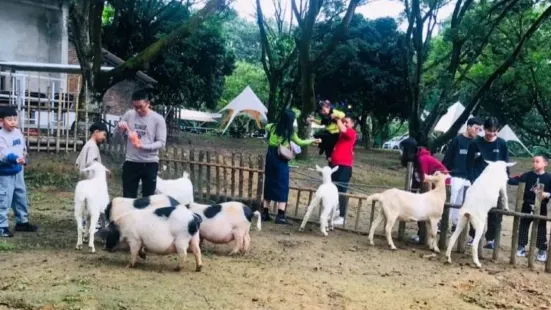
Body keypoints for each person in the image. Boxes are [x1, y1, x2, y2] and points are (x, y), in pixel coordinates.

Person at [263, 109, 320, 224]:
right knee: (282, 185)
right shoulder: (290, 132)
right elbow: (300, 142)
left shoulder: (272, 127)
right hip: (281, 159)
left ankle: (264, 213)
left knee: (269, 183)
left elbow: (266, 127)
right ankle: (280, 216)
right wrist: (313, 140)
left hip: (270, 158)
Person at [466, 117, 510, 249]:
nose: (491, 134)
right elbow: (469, 165)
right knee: (477, 210)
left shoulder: (502, 144)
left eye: (495, 131)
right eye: (489, 131)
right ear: (484, 129)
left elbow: (505, 164)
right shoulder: (475, 144)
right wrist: (474, 181)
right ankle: (474, 235)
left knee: (495, 212)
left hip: (495, 184)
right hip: (480, 183)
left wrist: (505, 179)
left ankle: (491, 238)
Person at [117, 89, 167, 198]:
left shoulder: (158, 119)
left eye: (141, 107)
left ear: (148, 104)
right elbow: (118, 135)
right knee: (128, 196)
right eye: (135, 107)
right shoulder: (129, 115)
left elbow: (161, 143)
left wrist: (143, 146)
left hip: (150, 163)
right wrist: (121, 126)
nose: (138, 110)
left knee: (148, 197)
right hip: (131, 161)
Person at [399, 137, 448, 244]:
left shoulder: (422, 159)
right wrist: (411, 194)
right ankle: (421, 235)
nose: (401, 152)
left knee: (426, 210)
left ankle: (427, 238)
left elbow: (426, 180)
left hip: (439, 186)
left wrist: (427, 196)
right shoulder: (415, 160)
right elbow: (417, 178)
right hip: (427, 186)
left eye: (403, 149)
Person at [0, 107, 38, 237]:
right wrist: (15, 159)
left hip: (18, 170)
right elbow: (3, 154)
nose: (12, 122)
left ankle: (22, 221)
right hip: (5, 172)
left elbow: (22, 146)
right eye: (9, 119)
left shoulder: (17, 132)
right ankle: (2, 226)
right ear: (1, 121)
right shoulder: (1, 136)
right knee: (4, 198)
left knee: (20, 195)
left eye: (14, 119)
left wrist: (23, 156)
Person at [442, 117, 482, 232]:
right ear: (468, 127)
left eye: (479, 129)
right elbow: (448, 158)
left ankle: (456, 225)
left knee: (462, 203)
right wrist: (444, 172)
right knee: (451, 201)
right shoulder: (457, 140)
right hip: (455, 176)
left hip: (468, 178)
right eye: (476, 128)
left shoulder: (477, 143)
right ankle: (444, 223)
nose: (477, 131)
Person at [508, 155, 551, 262]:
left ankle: (541, 250)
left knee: (541, 227)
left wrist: (548, 194)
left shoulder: (549, 178)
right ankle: (521, 247)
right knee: (523, 225)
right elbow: (512, 180)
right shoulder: (527, 175)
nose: (534, 163)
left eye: (537, 161)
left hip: (541, 206)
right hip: (527, 205)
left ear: (545, 164)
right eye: (533, 161)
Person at [330, 114, 357, 225]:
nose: (345, 123)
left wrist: (337, 119)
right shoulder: (341, 135)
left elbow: (342, 128)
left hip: (344, 167)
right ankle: (335, 212)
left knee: (342, 191)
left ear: (352, 124)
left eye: (347, 122)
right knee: (334, 189)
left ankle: (341, 216)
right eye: (344, 121)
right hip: (336, 165)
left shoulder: (351, 132)